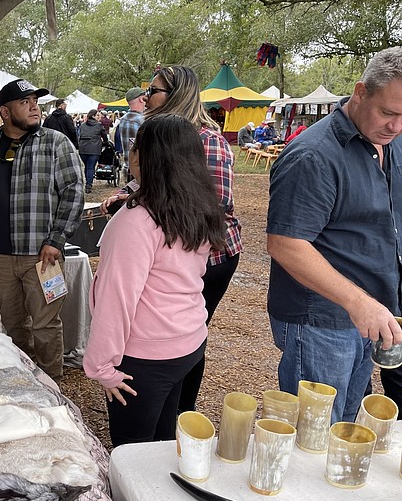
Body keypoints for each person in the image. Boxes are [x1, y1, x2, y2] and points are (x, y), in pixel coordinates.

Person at [267, 46, 402, 421]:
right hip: (322, 320)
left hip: (373, 313)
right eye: (388, 113)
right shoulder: (312, 155)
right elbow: (285, 244)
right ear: (360, 93)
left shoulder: (391, 141)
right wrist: (358, 302)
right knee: (313, 434)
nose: (396, 126)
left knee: (343, 422)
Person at [101, 66, 243, 412]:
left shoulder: (209, 142)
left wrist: (147, 219)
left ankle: (179, 406)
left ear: (178, 94)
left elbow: (215, 209)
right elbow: (150, 182)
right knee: (157, 325)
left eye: (155, 91)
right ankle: (157, 398)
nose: (146, 97)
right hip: (167, 247)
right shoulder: (156, 133)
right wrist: (127, 195)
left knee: (188, 330)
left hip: (207, 254)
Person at [84, 114, 225, 446]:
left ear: (147, 157)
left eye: (136, 145)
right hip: (187, 342)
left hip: (147, 356)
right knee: (160, 444)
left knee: (133, 456)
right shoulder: (197, 206)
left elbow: (116, 301)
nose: (131, 151)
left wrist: (101, 366)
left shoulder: (136, 221)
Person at [0, 78, 85, 383]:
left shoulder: (55, 143)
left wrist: (57, 240)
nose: (34, 107)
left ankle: (52, 386)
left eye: (36, 101)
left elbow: (74, 191)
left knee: (45, 325)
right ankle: (24, 382)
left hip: (43, 257)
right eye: (25, 102)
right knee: (13, 324)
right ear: (5, 112)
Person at [116, 87, 146, 175]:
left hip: (128, 168)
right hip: (140, 171)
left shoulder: (123, 120)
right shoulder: (142, 120)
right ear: (141, 99)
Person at [77, 109, 107, 193]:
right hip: (94, 148)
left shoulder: (82, 125)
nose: (99, 117)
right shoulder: (99, 125)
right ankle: (88, 184)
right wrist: (106, 142)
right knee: (90, 166)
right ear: (93, 116)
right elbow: (104, 135)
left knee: (87, 166)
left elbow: (79, 135)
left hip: (83, 148)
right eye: (97, 115)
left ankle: (88, 181)